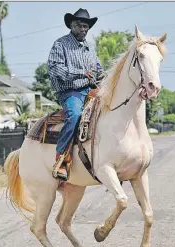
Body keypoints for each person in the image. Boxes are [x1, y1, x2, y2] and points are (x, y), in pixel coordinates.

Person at [47, 8, 105, 180]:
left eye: (86, 26)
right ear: (71, 25)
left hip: (91, 90)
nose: (83, 29)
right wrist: (81, 73)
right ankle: (61, 160)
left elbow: (99, 70)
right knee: (74, 115)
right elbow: (55, 69)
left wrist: (106, 77)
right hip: (70, 91)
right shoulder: (60, 44)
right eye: (80, 25)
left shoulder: (90, 48)